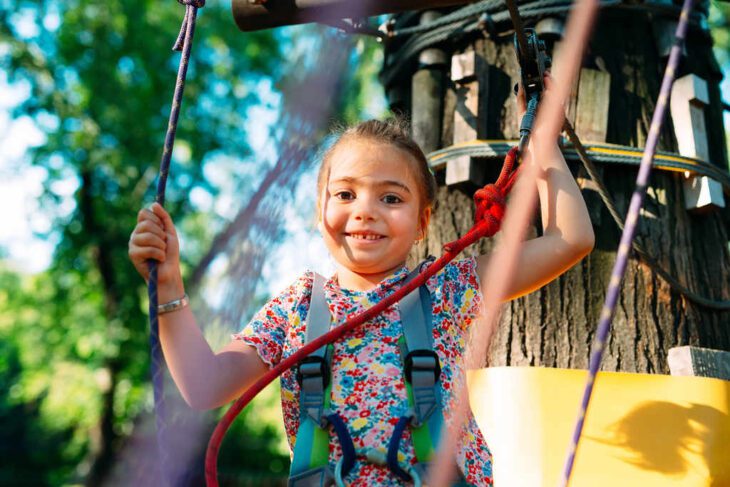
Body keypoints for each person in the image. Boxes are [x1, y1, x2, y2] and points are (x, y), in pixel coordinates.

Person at [128, 77, 594, 486]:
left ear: (422, 221)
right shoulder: (297, 307)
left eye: (391, 197)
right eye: (346, 194)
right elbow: (205, 385)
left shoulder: (445, 287)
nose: (365, 210)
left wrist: (543, 141)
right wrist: (169, 287)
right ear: (320, 211)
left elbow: (569, 239)